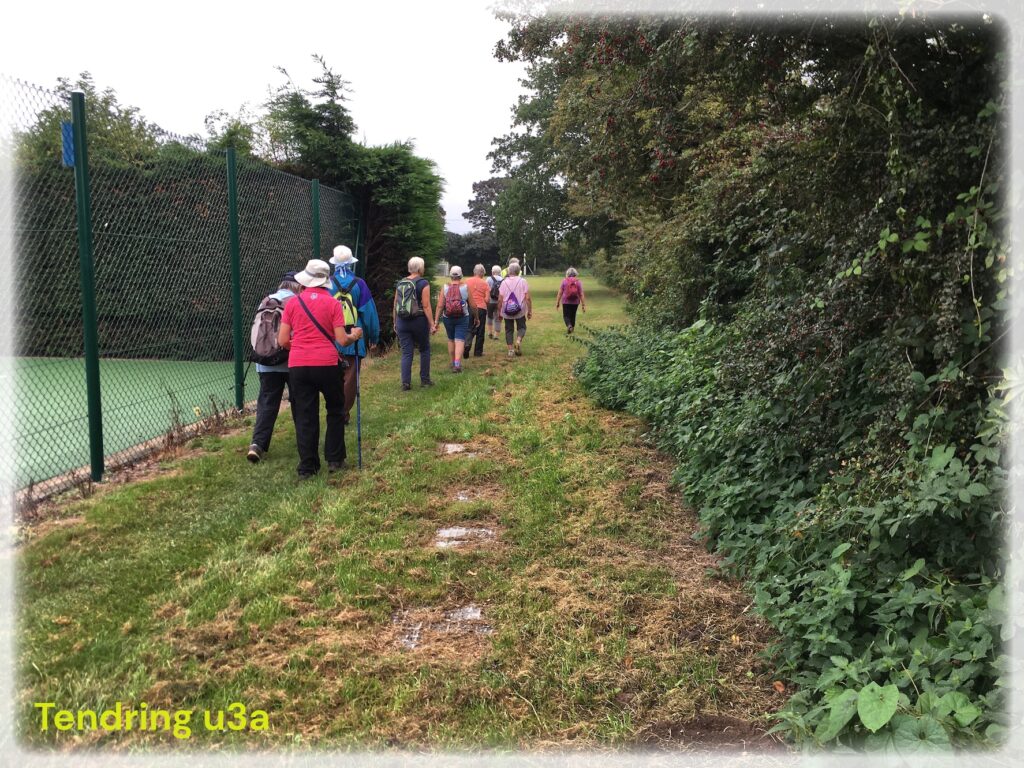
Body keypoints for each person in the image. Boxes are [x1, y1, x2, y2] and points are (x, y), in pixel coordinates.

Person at [278, 259, 363, 479]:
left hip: (299, 364)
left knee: (305, 414)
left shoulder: (293, 304)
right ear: (325, 281)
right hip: (327, 363)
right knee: (335, 408)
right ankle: (335, 459)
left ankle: (307, 467)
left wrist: (300, 348)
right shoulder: (333, 304)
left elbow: (283, 340)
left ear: (305, 280)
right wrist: (354, 335)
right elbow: (342, 340)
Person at [247, 271, 303, 463]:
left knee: (267, 403)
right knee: (299, 400)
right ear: (298, 286)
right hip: (290, 360)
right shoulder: (297, 302)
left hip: (265, 363)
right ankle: (304, 440)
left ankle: (257, 444)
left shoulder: (266, 301)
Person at [328, 245, 380, 425]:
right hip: (354, 340)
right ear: (351, 263)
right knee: (350, 378)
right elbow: (369, 313)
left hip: (332, 339)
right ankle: (343, 413)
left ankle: (333, 410)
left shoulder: (327, 283)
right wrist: (373, 337)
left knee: (333, 377)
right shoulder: (359, 284)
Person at [393, 256, 433, 391]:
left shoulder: (401, 283)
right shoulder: (423, 283)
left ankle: (406, 383)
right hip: (419, 320)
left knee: (406, 352)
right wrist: (432, 323)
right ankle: (425, 380)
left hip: (402, 321)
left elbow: (395, 304)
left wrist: (395, 321)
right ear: (421, 268)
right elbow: (426, 306)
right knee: (424, 349)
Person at [432, 265, 478, 373]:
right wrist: (476, 317)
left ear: (450, 275)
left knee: (451, 339)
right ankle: (457, 364)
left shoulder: (445, 287)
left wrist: (436, 321)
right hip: (463, 317)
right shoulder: (465, 287)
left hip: (448, 318)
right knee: (460, 340)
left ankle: (453, 363)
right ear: (461, 275)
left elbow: (440, 306)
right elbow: (473, 305)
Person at [498, 262, 531, 359]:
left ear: (509, 271)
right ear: (518, 271)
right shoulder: (523, 281)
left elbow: (500, 299)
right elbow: (528, 298)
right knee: (522, 327)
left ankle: (511, 351)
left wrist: (499, 312)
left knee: (509, 330)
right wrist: (529, 311)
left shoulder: (504, 282)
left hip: (507, 310)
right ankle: (518, 341)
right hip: (520, 310)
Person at [464, 264, 490, 357]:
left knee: (469, 328)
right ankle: (478, 352)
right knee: (480, 331)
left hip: (469, 308)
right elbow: (487, 300)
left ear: (474, 272)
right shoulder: (485, 284)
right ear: (482, 273)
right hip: (481, 308)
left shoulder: (466, 281)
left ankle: (467, 343)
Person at [555, 267, 587, 334]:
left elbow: (560, 292)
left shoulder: (564, 281)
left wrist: (557, 302)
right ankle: (572, 328)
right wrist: (583, 304)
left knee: (566, 315)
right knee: (573, 315)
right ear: (575, 274)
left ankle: (569, 326)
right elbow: (581, 294)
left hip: (566, 302)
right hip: (575, 302)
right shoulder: (578, 282)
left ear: (567, 273)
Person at [486, 265, 503, 340]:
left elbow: (486, 289)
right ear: (500, 272)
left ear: (492, 271)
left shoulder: (488, 279)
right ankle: (496, 335)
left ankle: (490, 332)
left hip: (490, 301)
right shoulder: (502, 279)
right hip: (499, 301)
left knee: (489, 316)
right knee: (498, 318)